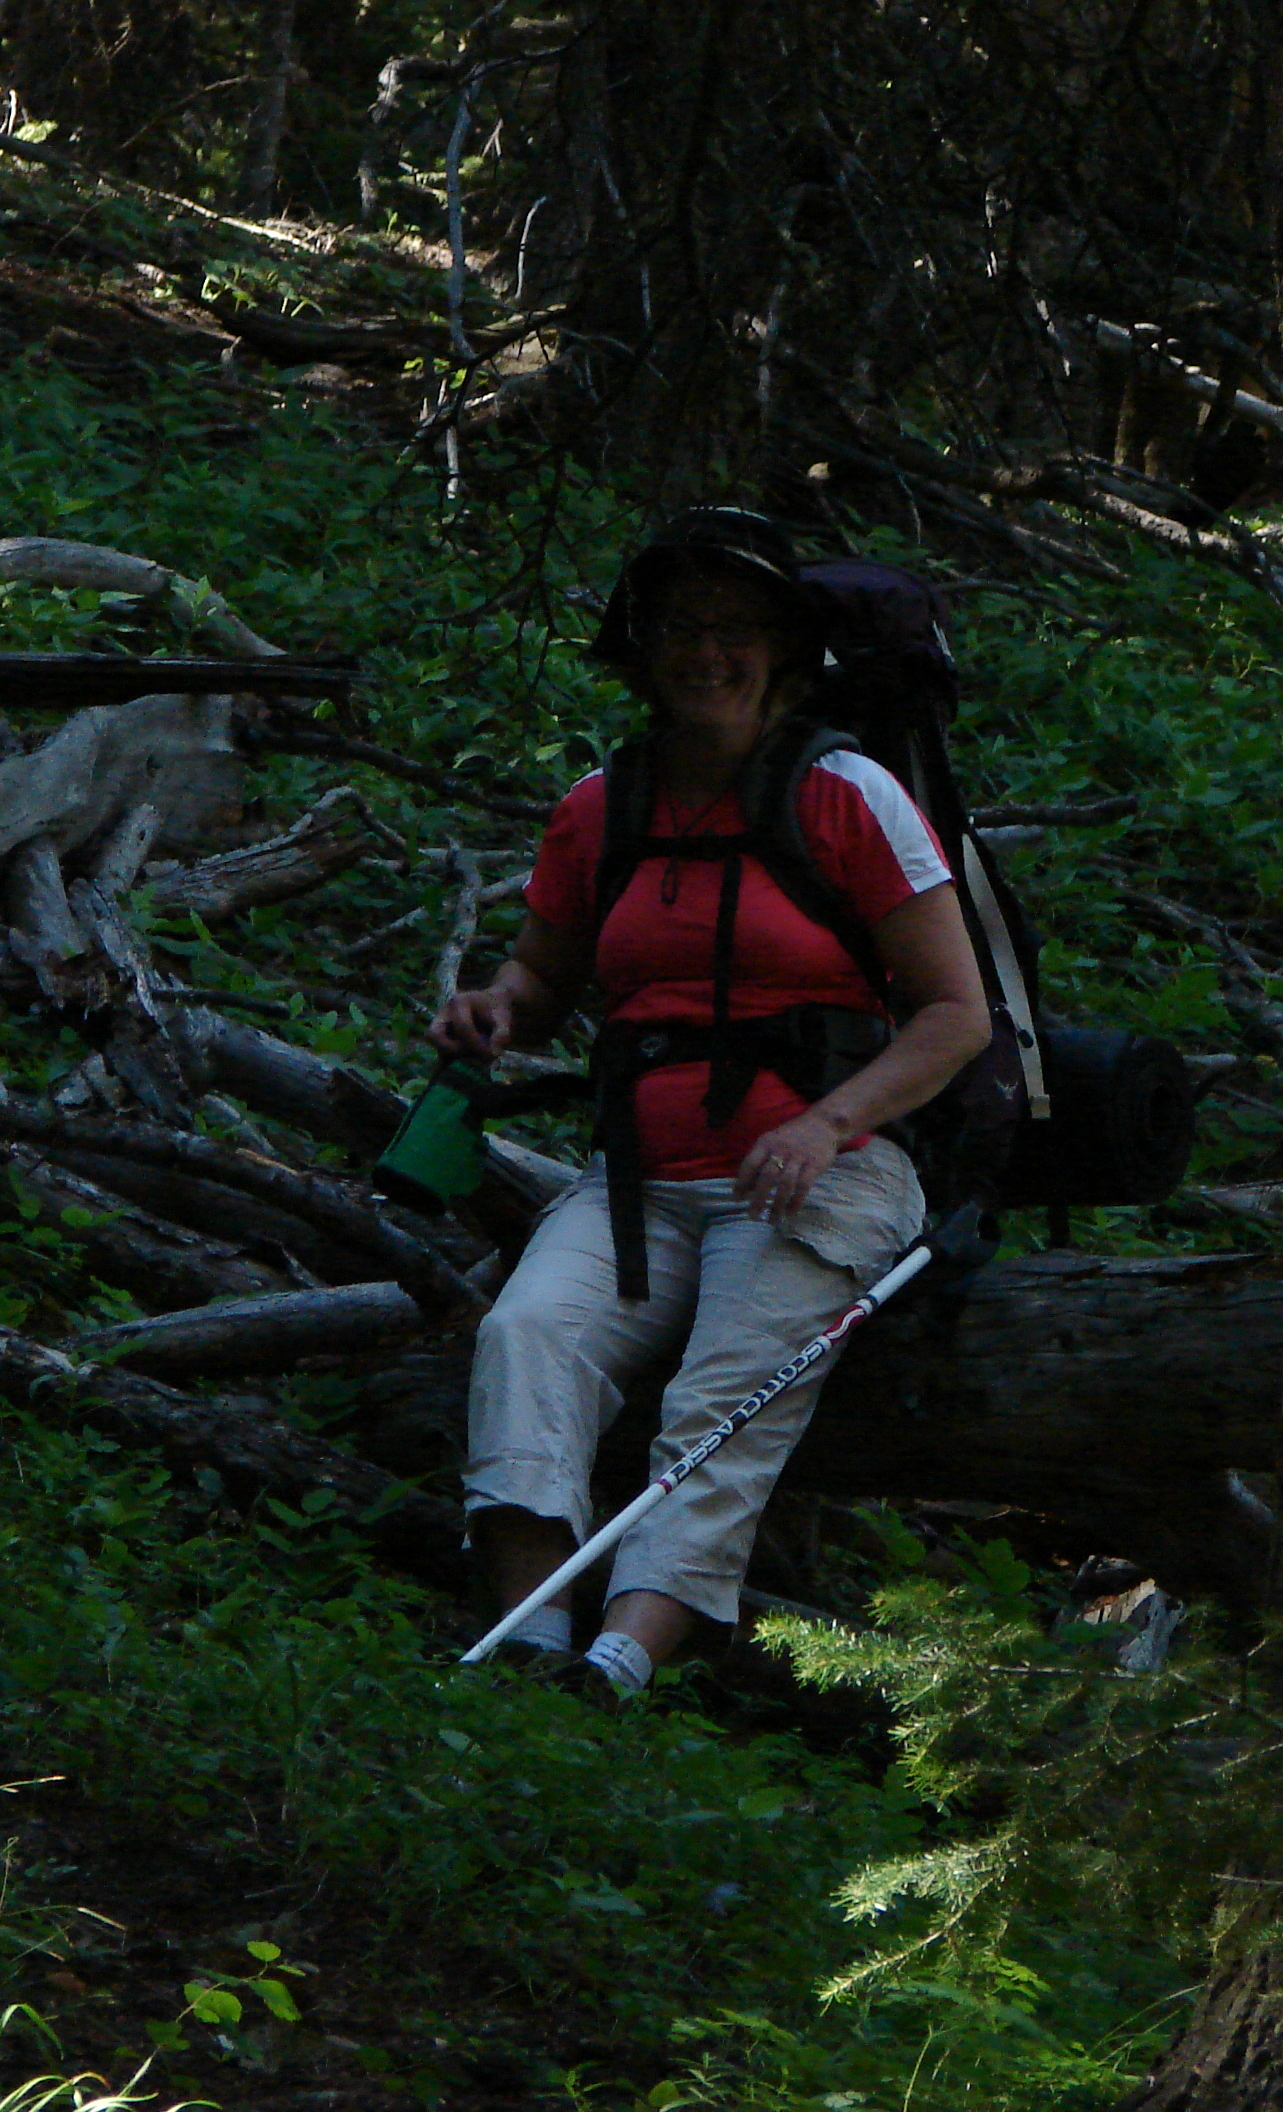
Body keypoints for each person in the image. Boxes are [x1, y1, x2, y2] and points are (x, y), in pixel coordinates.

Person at [428, 509, 992, 1698]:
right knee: (526, 1337)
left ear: (786, 650)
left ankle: (617, 1665)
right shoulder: (602, 805)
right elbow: (544, 976)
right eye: (682, 627)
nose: (708, 653)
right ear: (642, 648)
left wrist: (825, 1122)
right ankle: (530, 1643)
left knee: (722, 1404)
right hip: (637, 1180)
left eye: (737, 630)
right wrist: (496, 1007)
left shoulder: (848, 796)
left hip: (826, 1173)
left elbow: (956, 1015)